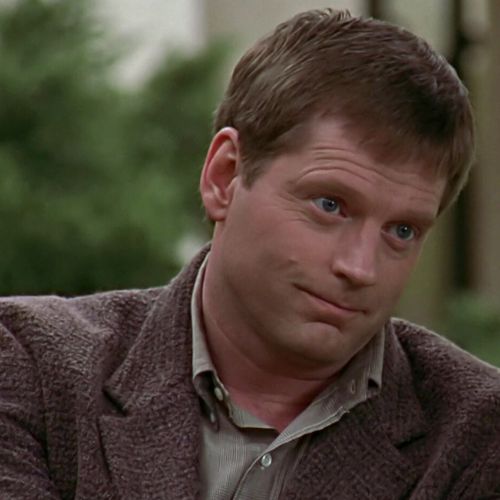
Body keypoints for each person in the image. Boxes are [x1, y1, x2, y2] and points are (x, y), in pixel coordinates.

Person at [0, 8, 499, 499]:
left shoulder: (478, 437)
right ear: (225, 177)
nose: (360, 268)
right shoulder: (32, 366)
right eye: (330, 205)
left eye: (402, 231)